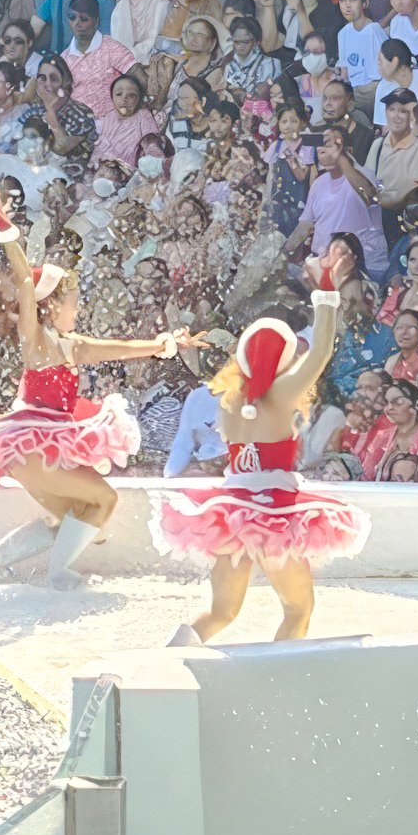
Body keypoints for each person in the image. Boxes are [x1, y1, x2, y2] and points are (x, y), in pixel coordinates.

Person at [0, 193, 189, 588]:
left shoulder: (72, 345)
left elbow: (122, 348)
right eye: (74, 302)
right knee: (104, 501)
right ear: (53, 306)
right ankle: (59, 574)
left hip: (37, 447)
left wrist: (165, 344)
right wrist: (6, 229)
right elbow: (25, 284)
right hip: (32, 443)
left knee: (72, 517)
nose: (78, 310)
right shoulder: (38, 342)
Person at [153, 242, 370, 644]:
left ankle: (167, 659)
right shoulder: (281, 396)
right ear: (282, 358)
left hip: (230, 513)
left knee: (221, 612)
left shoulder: (231, 402)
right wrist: (325, 292)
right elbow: (321, 349)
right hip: (274, 515)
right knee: (299, 608)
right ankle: (280, 679)